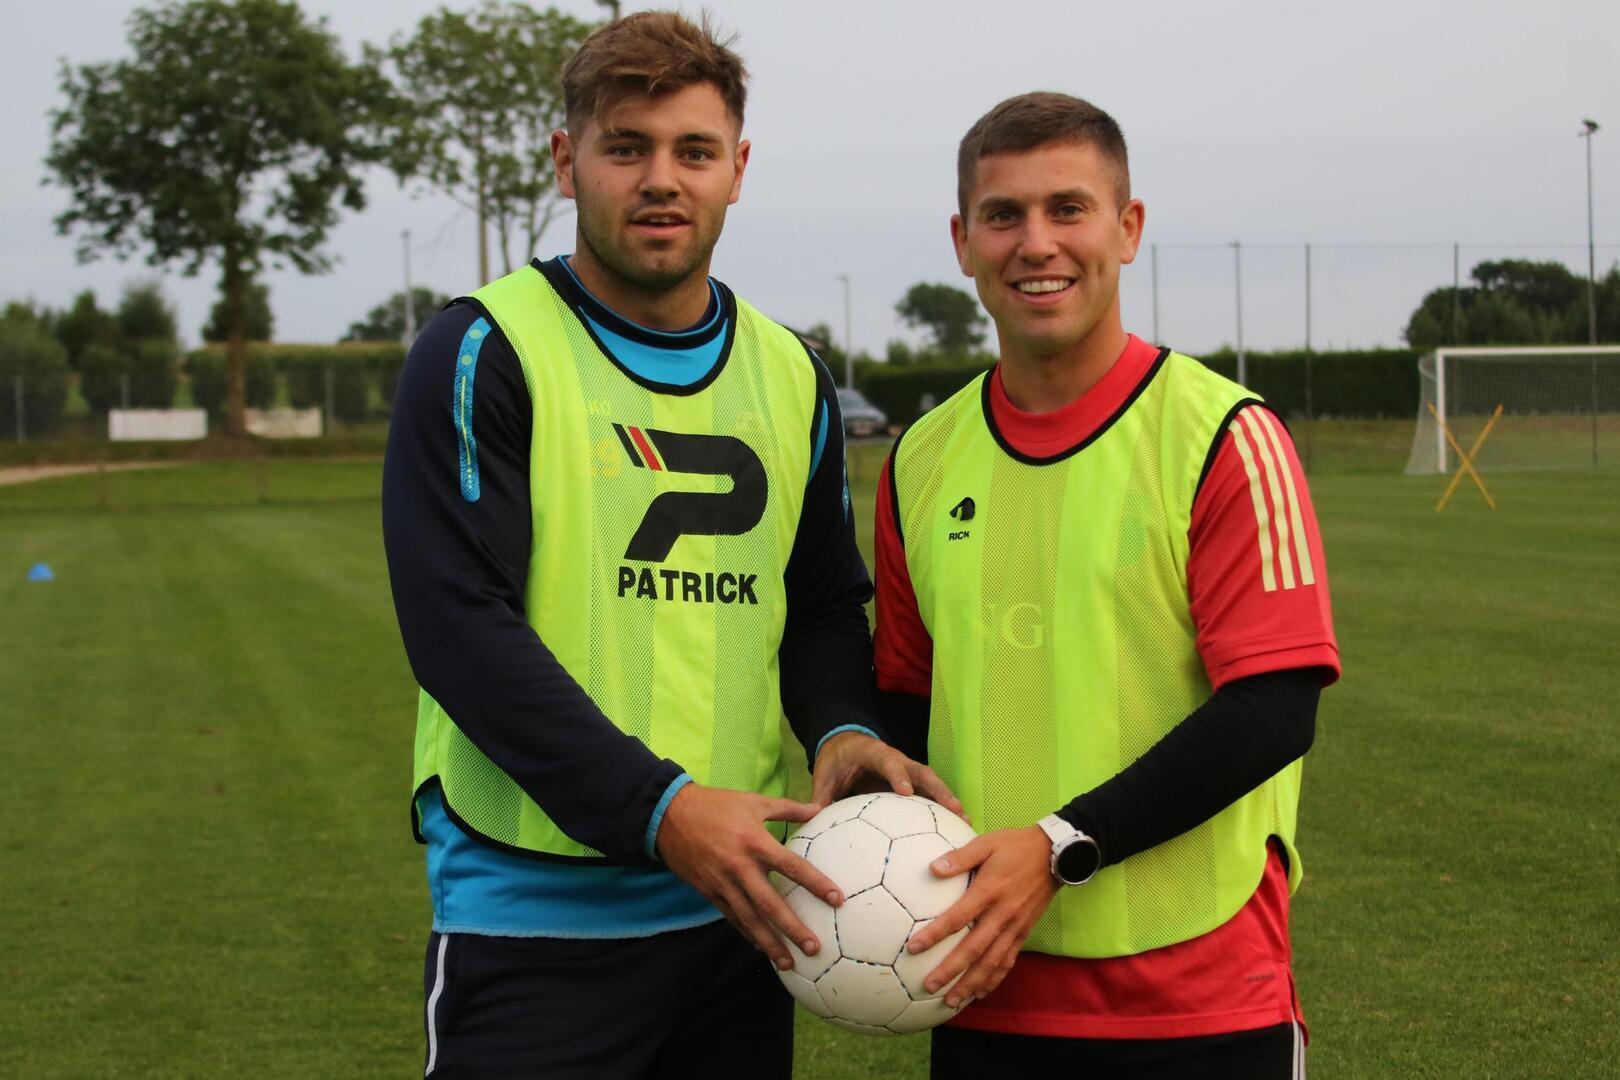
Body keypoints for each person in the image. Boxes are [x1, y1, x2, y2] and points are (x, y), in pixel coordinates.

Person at [382, 13, 953, 1079]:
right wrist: (662, 810)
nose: (661, 180)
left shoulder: (790, 371)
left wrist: (840, 727)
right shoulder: (484, 348)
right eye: (626, 148)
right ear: (567, 162)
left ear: (737, 169)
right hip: (534, 916)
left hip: (737, 912)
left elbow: (822, 604)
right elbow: (458, 626)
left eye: (694, 151)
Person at [873, 91, 1341, 1079]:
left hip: (1201, 999)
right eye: (1004, 215)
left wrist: (1058, 846)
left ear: (1127, 229)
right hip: (983, 985)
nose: (1036, 243)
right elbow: (907, 705)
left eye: (1068, 209)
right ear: (963, 242)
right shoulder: (922, 457)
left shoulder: (1224, 436)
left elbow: (1274, 707)